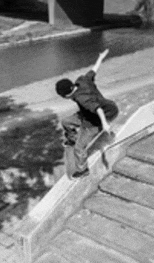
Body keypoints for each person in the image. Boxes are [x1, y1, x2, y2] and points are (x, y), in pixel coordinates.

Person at [55, 49, 119, 179]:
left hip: (100, 117)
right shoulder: (82, 81)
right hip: (93, 111)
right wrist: (100, 58)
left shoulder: (82, 99)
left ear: (66, 95)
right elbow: (94, 70)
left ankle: (83, 170)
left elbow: (98, 109)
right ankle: (72, 138)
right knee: (66, 122)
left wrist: (105, 124)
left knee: (79, 148)